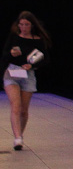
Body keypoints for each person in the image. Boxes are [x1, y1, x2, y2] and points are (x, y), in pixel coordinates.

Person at [4, 10, 51, 151]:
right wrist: (11, 54)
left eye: (27, 24)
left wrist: (32, 65)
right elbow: (4, 55)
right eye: (21, 24)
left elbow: (46, 58)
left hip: (28, 74)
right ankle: (17, 138)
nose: (23, 27)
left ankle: (20, 135)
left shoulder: (38, 40)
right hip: (12, 73)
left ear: (32, 25)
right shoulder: (14, 37)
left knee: (24, 110)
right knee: (16, 106)